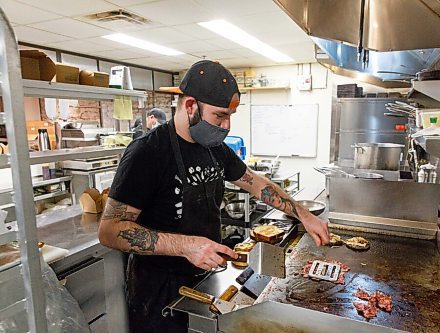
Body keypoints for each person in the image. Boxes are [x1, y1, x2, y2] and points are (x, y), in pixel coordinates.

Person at [98, 60, 330, 333]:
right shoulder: (147, 152)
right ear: (190, 106)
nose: (226, 125)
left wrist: (302, 214)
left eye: (230, 116)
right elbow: (110, 230)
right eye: (220, 116)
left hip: (205, 278)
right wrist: (186, 246)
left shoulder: (213, 147)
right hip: (158, 291)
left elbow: (256, 183)